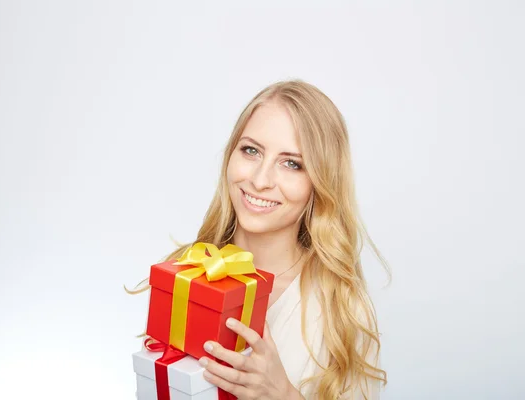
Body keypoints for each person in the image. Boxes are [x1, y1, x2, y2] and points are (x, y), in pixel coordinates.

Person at [134, 80, 388, 400]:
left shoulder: (342, 307)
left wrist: (281, 394)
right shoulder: (187, 273)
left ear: (321, 182)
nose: (259, 180)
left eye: (292, 163)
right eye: (251, 150)